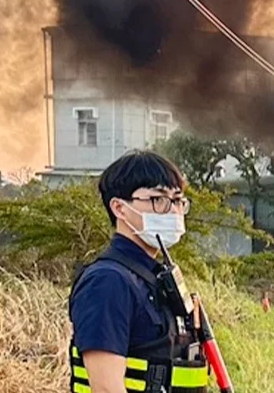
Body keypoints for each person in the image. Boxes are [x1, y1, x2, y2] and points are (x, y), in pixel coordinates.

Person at [68, 149, 209, 393]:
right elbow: (105, 388)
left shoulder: (156, 277)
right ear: (119, 208)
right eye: (158, 199)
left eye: (177, 200)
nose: (173, 211)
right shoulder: (107, 282)